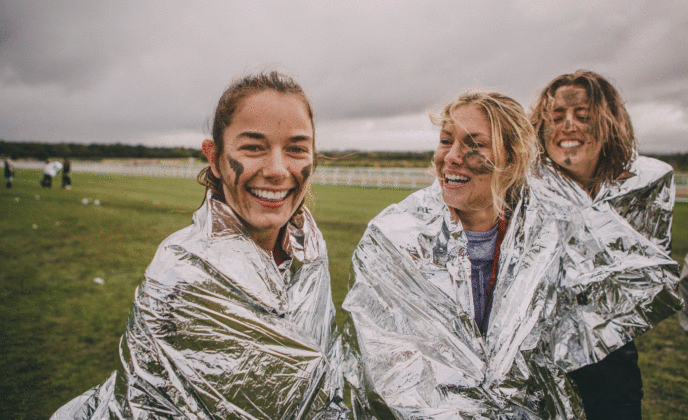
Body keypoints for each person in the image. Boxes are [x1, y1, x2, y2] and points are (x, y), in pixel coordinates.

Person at [342, 91, 682, 419]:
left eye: (474, 145)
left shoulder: (549, 240)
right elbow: (387, 363)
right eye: (446, 140)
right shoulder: (393, 237)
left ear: (512, 157)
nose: (452, 157)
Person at [51, 72, 347, 419]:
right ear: (215, 158)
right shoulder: (183, 270)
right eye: (253, 147)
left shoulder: (308, 248)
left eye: (296, 148)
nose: (278, 170)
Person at [530, 70, 679, 419]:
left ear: (608, 123)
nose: (568, 126)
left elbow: (646, 287)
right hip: (531, 365)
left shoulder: (645, 189)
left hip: (611, 364)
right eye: (556, 118)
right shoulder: (519, 188)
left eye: (583, 117)